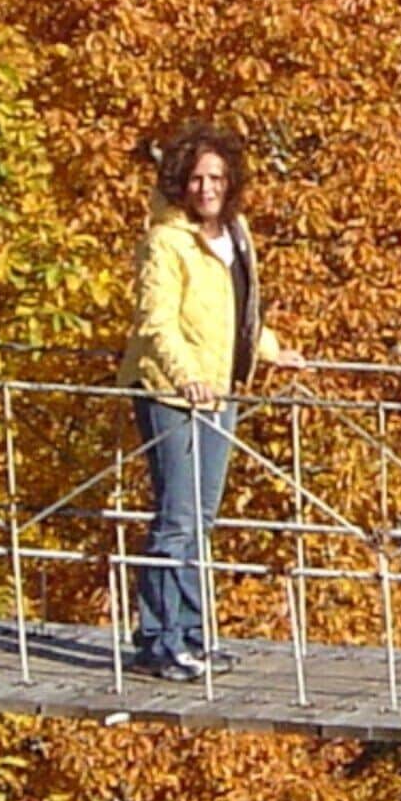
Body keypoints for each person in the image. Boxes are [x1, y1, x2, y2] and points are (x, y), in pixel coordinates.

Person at [120, 125, 306, 681]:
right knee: (176, 518)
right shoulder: (165, 241)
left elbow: (234, 310)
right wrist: (186, 379)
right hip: (171, 392)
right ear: (181, 182)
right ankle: (157, 639)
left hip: (221, 386)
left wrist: (271, 351)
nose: (207, 188)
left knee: (200, 518)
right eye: (197, 178)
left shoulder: (235, 233)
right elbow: (156, 322)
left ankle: (193, 635)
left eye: (217, 178)